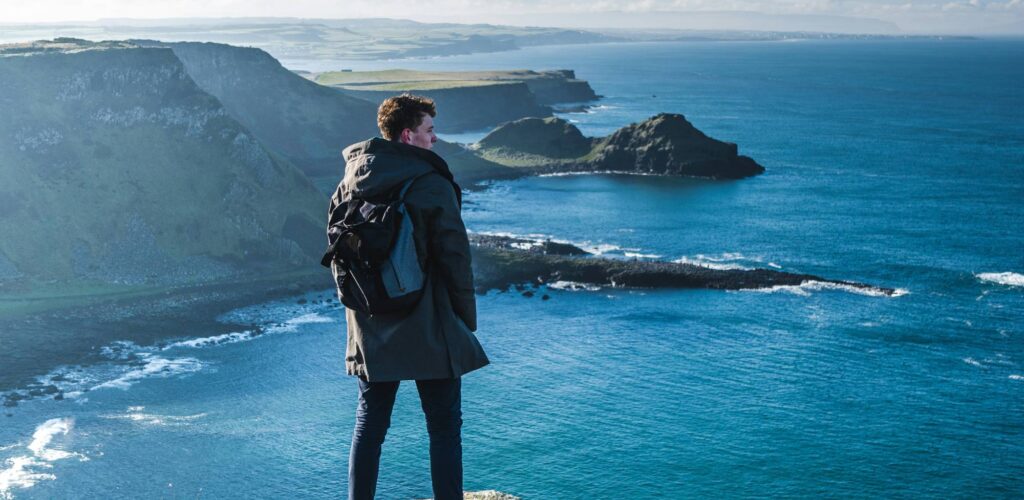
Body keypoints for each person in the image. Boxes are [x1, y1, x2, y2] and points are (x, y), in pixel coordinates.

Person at [330, 94, 490, 500]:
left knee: (370, 424)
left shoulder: (349, 181)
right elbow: (455, 257)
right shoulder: (430, 184)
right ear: (408, 135)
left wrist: (356, 306)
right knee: (443, 427)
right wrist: (464, 320)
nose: (435, 139)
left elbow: (337, 252)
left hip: (370, 319)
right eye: (429, 130)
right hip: (428, 320)